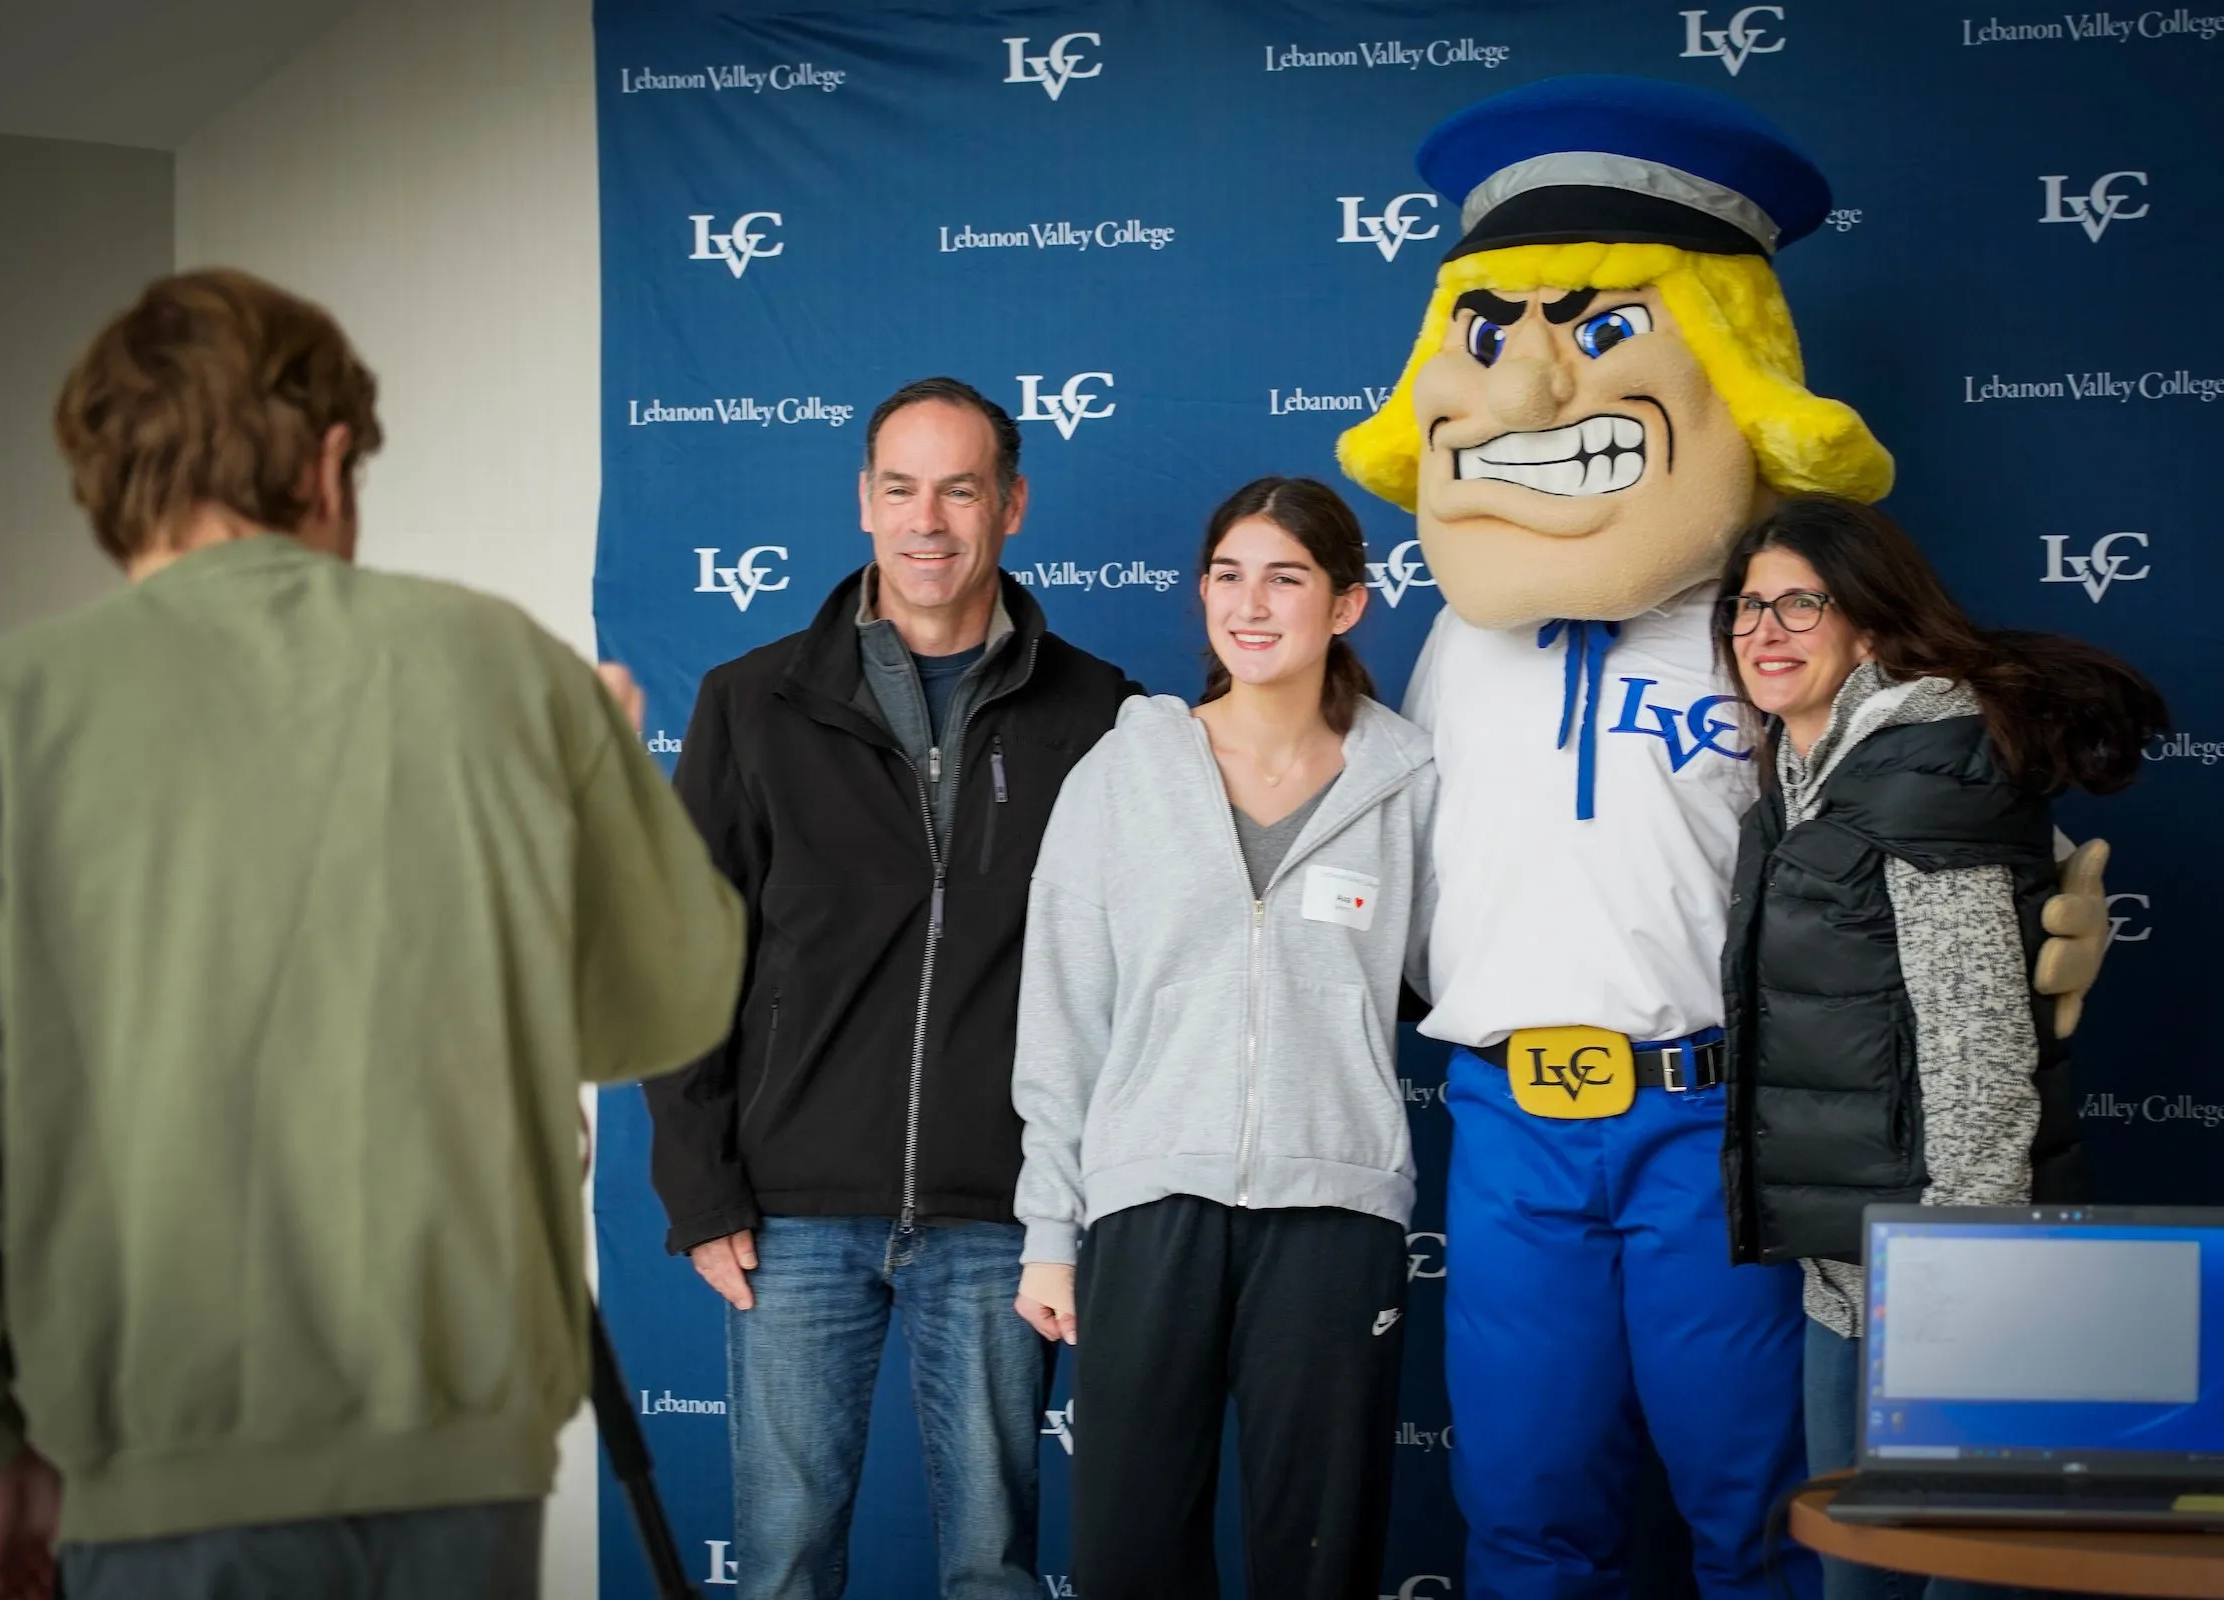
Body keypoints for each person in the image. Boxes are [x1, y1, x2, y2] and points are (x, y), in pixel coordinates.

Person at [1332, 75, 2117, 1599]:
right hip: (1505, 1124)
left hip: (1711, 1122)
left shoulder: (1770, 628)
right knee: (1524, 1512)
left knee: (1756, 1509)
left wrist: (2030, 922)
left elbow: (1917, 807)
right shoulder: (1452, 640)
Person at [0, 268, 745, 1600]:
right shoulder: (505, 666)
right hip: (462, 1458)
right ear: (329, 456)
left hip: (155, 1457)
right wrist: (607, 765)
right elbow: (665, 1008)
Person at [645, 377, 1135, 1600]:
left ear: (1011, 504)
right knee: (785, 1564)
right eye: (902, 488)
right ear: (864, 502)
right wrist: (701, 1190)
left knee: (992, 1567)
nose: (930, 520)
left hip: (1004, 1213)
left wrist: (1081, 1205)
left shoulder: (1106, 715)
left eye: (960, 489)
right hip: (791, 1212)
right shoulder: (749, 700)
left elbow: (1132, 980)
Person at [1715, 494, 2166, 1600]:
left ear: (1867, 622)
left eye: (1799, 603)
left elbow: (1974, 1044)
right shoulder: (1809, 772)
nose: (1763, 629)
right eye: (1746, 605)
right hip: (1852, 1271)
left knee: (1956, 1578)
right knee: (1857, 1576)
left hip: (1947, 1275)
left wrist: (1963, 1275)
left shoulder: (1924, 764)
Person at [1011, 475, 1436, 1598]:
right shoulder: (1123, 771)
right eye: (1229, 575)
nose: (1251, 605)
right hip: (1149, 1206)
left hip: (1335, 1213)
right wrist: (1052, 1227)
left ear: (1346, 603)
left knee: (1319, 1555)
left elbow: (1453, 971)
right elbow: (1062, 1012)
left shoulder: (1411, 780)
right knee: (1131, 1553)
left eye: (1286, 577)